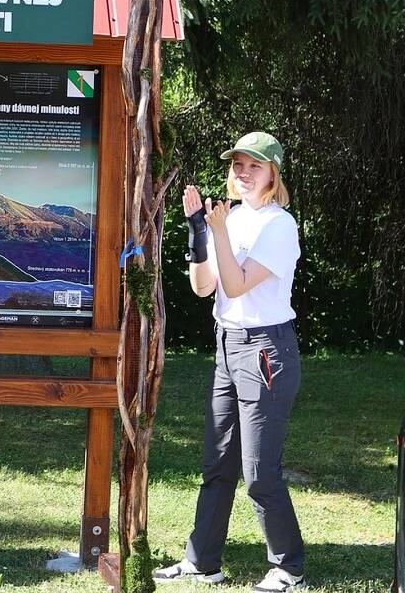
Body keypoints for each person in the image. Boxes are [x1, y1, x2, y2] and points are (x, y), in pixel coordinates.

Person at [153, 132, 306, 592]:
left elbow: (237, 285)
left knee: (260, 472)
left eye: (253, 167)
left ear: (273, 175)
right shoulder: (231, 217)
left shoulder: (279, 225)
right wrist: (199, 229)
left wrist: (217, 229)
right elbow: (204, 286)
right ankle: (203, 563)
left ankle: (289, 567)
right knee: (218, 462)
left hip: (265, 351)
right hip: (227, 345)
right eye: (238, 165)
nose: (243, 173)